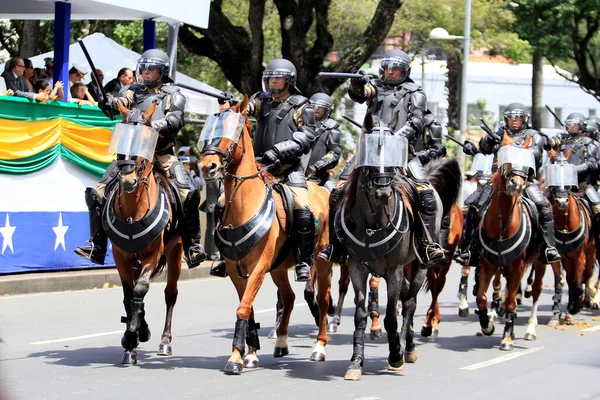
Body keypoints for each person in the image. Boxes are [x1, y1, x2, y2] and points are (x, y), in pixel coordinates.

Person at [74, 49, 207, 268]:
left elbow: (175, 119)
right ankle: (96, 246)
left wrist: (154, 125)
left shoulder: (173, 94)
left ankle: (192, 246)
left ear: (162, 72)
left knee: (188, 192)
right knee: (95, 193)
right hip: (131, 154)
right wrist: (107, 103)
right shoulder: (132, 91)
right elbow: (119, 103)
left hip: (160, 153)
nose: (146, 72)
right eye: (143, 68)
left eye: (151, 69)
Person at [318, 49, 446, 267]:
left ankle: (428, 244)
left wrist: (393, 139)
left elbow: (415, 123)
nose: (390, 72)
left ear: (405, 71)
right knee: (337, 191)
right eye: (387, 68)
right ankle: (335, 246)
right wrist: (357, 82)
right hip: (368, 152)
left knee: (426, 195)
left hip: (402, 153)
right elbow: (358, 95)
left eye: (395, 69)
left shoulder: (416, 93)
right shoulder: (374, 88)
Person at [211, 58, 317, 281]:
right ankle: (225, 255)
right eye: (269, 78)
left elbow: (306, 137)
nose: (272, 82)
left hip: (287, 169)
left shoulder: (301, 105)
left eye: (277, 78)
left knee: (302, 207)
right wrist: (232, 107)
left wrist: (279, 151)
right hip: (259, 168)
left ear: (289, 81)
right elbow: (244, 110)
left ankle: (303, 261)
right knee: (222, 202)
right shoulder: (262, 100)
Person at [457, 103, 562, 266]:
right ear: (506, 119)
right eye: (511, 117)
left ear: (524, 120)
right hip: (498, 182)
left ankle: (549, 247)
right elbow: (484, 147)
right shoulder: (499, 133)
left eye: (518, 117)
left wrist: (510, 146)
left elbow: (535, 152)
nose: (514, 120)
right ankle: (468, 249)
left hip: (523, 181)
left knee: (544, 206)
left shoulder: (534, 136)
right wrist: (474, 146)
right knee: (474, 206)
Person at [556, 113, 600, 253]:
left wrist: (572, 169)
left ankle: (597, 243)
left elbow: (592, 164)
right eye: (570, 124)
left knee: (598, 209)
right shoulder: (561, 142)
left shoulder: (589, 144)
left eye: (575, 124)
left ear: (582, 126)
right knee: (541, 207)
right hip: (561, 186)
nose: (572, 127)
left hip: (582, 186)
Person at [305, 93, 343, 192]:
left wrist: (320, 164)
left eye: (320, 107)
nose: (316, 109)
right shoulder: (299, 124)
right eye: (313, 106)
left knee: (336, 197)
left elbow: (334, 153)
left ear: (327, 110)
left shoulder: (332, 130)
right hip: (294, 172)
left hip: (319, 176)